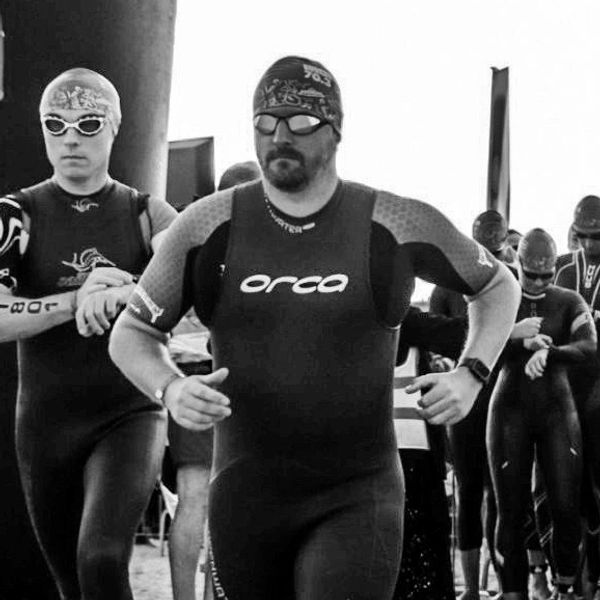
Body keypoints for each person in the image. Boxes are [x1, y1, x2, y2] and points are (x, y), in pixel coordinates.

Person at [109, 55, 520, 600]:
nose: (281, 136)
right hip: (245, 493)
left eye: (300, 122)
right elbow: (131, 334)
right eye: (265, 122)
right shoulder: (207, 226)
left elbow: (498, 286)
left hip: (357, 492)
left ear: (336, 129)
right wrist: (171, 385)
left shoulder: (392, 222)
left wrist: (472, 372)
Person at [0, 68, 177, 600]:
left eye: (88, 122)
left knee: (100, 559)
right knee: (71, 585)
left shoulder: (149, 215)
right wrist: (76, 300)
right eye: (56, 125)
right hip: (46, 425)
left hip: (129, 413)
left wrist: (127, 294)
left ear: (115, 127)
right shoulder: (16, 216)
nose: (71, 137)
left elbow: (191, 300)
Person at [167, 160, 260, 600]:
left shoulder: (186, 239)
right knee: (227, 499)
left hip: (188, 377)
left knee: (194, 497)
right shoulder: (264, 244)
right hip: (230, 376)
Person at [488, 228, 596, 600]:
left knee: (566, 507)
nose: (537, 283)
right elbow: (475, 348)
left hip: (556, 410)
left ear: (554, 270)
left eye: (546, 275)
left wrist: (551, 353)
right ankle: (514, 591)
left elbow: (590, 348)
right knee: (509, 510)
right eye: (530, 275)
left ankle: (565, 588)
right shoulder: (503, 298)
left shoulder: (568, 300)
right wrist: (518, 340)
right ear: (517, 263)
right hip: (509, 409)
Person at [429, 208, 516, 600]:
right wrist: (443, 362)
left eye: (496, 251)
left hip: (500, 400)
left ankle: (499, 580)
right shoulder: (445, 287)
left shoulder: (508, 283)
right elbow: (433, 339)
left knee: (498, 494)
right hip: (466, 406)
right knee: (468, 491)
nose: (490, 257)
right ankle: (472, 589)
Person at [393, 306, 467, 600]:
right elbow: (453, 333)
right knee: (425, 559)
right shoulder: (405, 318)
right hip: (408, 455)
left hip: (406, 451)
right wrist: (507, 331)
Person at [555, 195, 600, 599]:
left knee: (596, 488)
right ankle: (566, 579)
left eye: (597, 237)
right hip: (564, 390)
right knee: (563, 489)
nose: (589, 245)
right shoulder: (560, 270)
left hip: (598, 391)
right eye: (583, 237)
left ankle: (593, 577)